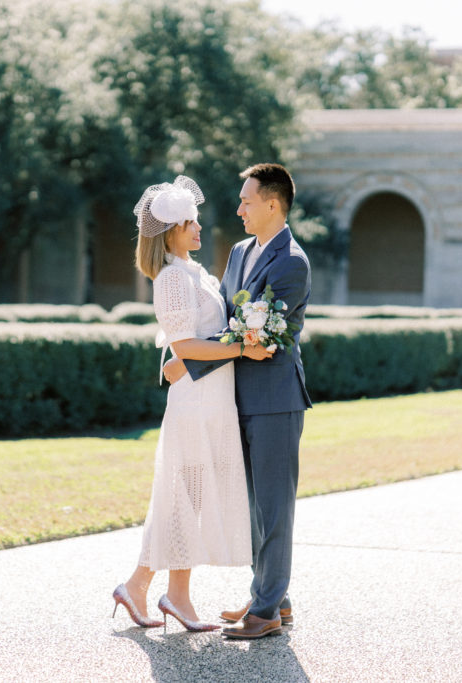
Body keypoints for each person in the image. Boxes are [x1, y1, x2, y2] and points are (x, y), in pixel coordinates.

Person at [112, 175, 273, 633]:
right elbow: (185, 345)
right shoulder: (171, 279)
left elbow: (195, 343)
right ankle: (173, 594)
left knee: (186, 496)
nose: (201, 229)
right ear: (172, 230)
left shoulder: (195, 273)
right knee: (185, 495)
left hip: (213, 398)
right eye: (192, 223)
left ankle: (140, 585)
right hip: (195, 404)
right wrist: (243, 348)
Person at [163, 162, 312, 640]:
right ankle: (275, 599)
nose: (239, 208)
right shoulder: (240, 251)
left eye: (247, 200)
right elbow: (224, 323)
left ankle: (265, 610)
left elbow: (254, 331)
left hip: (274, 400)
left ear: (273, 203)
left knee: (274, 506)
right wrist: (183, 353)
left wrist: (188, 362)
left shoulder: (293, 262)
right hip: (233, 398)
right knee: (252, 506)